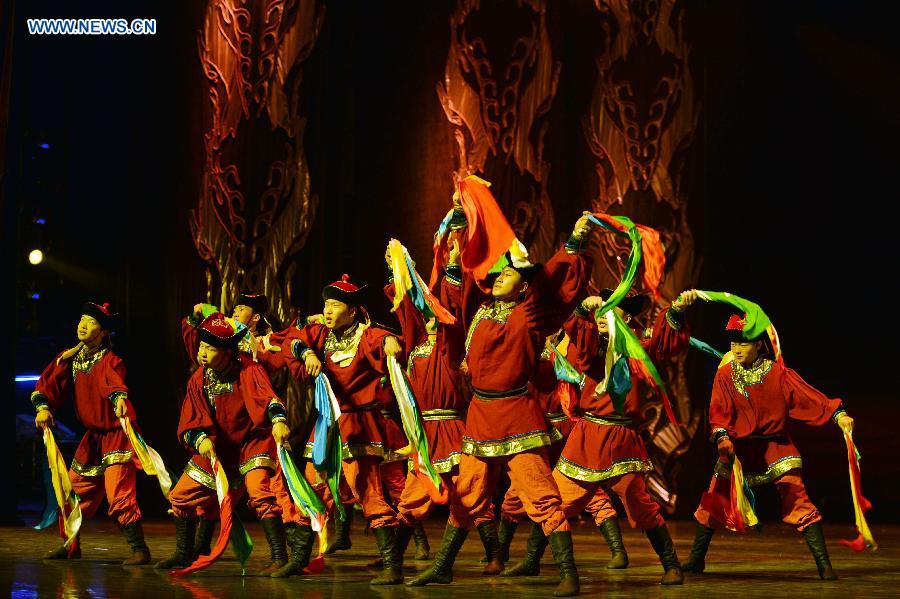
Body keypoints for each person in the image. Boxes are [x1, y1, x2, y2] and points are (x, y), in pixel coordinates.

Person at [447, 211, 596, 597]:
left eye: (508, 273)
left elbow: (554, 283)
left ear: (524, 284)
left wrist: (575, 241)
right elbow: (459, 287)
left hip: (517, 416)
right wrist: (460, 236)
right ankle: (442, 565)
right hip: (480, 415)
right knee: (467, 493)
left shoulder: (530, 314)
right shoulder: (479, 312)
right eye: (495, 273)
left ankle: (568, 572)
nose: (498, 278)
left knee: (540, 495)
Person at [682, 313, 853, 581]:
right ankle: (696, 559)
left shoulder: (778, 374)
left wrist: (838, 415)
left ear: (760, 344)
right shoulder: (725, 375)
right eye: (734, 343)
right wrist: (723, 439)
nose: (737, 349)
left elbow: (809, 397)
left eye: (745, 343)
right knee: (715, 499)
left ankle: (824, 564)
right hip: (738, 449)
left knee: (798, 497)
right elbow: (718, 412)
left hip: (776, 447)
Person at [283, 275, 412, 585]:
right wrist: (307, 353)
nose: (327, 310)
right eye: (326, 304)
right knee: (312, 490)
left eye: (335, 305)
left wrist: (390, 342)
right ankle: (299, 559)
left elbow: (383, 339)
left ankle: (392, 564)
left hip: (358, 426)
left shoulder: (366, 336)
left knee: (369, 492)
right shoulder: (320, 336)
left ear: (353, 310)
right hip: (327, 426)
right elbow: (292, 340)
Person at [157, 313, 291, 576]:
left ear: (228, 352)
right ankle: (184, 553)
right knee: (181, 496)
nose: (203, 353)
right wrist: (200, 438)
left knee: (259, 491)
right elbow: (190, 419)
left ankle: (279, 556)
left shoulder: (250, 370)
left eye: (210, 348)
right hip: (218, 447)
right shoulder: (199, 378)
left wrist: (278, 421)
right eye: (202, 347)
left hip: (253, 442)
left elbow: (268, 399)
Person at [32, 301, 150, 565]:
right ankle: (70, 546)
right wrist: (42, 407)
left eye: (91, 321)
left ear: (104, 331)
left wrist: (119, 397)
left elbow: (113, 382)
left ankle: (139, 549)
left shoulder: (110, 360)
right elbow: (48, 385)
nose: (82, 325)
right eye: (81, 319)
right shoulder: (71, 359)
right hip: (92, 439)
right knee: (71, 492)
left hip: (115, 435)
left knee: (118, 493)